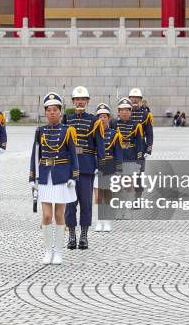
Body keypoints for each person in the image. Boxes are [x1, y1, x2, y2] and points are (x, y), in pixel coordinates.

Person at [29, 92, 79, 265]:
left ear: (60, 112)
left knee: (59, 215)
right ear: (45, 112)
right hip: (44, 176)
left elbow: (73, 155)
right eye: (48, 110)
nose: (51, 113)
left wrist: (74, 176)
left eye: (55, 110)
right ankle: (47, 251)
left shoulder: (67, 131)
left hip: (61, 177)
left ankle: (58, 251)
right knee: (46, 215)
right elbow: (35, 156)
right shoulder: (40, 131)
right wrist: (32, 178)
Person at [62, 86, 105, 250]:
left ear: (87, 102)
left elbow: (100, 144)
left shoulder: (94, 121)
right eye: (77, 99)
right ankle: (72, 235)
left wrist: (100, 165)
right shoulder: (67, 119)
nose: (80, 102)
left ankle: (84, 235)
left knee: (86, 203)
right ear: (73, 101)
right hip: (69, 168)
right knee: (70, 203)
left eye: (83, 99)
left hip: (87, 167)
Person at [93, 103, 122, 232]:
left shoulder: (115, 134)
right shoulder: (93, 134)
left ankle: (107, 221)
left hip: (110, 168)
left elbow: (118, 155)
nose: (102, 119)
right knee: (98, 197)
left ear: (109, 118)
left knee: (108, 196)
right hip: (97, 168)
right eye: (100, 116)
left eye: (104, 116)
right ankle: (100, 221)